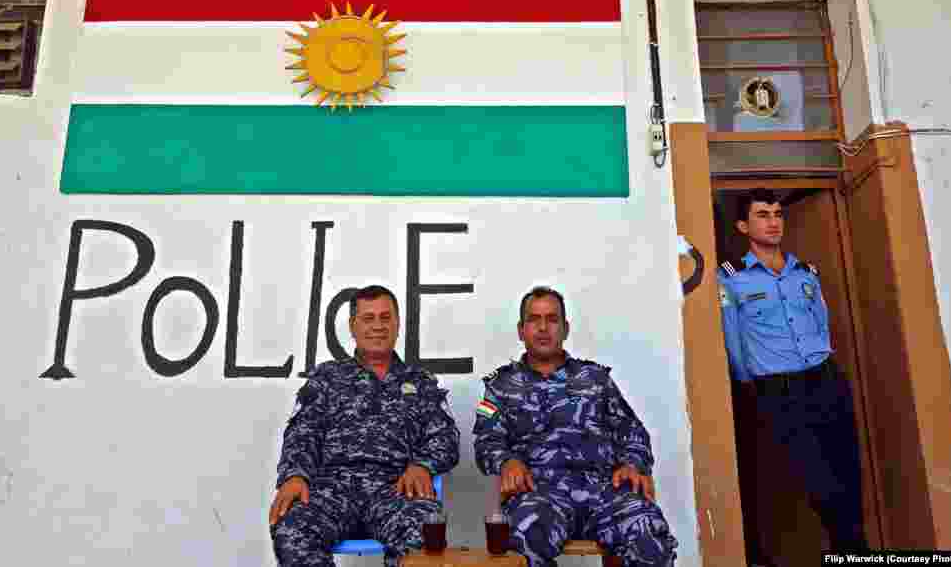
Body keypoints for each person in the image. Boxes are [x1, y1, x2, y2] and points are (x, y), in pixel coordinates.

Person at [473, 286, 678, 567]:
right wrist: (507, 461)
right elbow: (487, 442)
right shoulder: (501, 386)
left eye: (552, 319)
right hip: (540, 496)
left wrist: (633, 463)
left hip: (603, 493)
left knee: (647, 529)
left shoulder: (594, 379)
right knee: (524, 535)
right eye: (534, 320)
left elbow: (633, 433)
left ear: (566, 328)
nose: (543, 328)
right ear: (521, 330)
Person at [718, 189, 868, 552]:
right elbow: (733, 338)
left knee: (847, 473)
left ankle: (851, 551)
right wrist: (749, 385)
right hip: (777, 390)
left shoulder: (806, 273)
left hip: (825, 379)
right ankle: (854, 552)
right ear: (742, 225)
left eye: (777, 214)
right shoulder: (732, 279)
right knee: (817, 480)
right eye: (762, 215)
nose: (773, 222)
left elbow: (821, 323)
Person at [269, 285, 460, 567]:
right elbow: (302, 434)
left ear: (397, 325)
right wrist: (295, 476)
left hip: (395, 491)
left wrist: (421, 465)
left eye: (385, 318)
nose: (378, 326)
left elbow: (445, 437)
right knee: (293, 529)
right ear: (353, 326)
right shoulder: (327, 379)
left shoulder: (420, 383)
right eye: (368, 319)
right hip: (332, 491)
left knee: (422, 532)